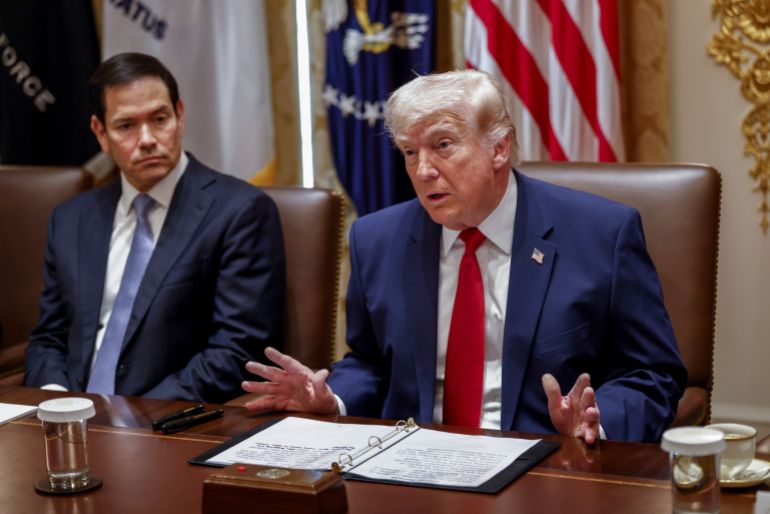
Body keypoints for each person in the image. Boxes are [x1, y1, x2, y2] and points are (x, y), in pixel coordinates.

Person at [241, 70, 686, 443]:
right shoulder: (376, 239)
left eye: (443, 145)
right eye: (410, 152)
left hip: (545, 467)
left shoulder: (600, 234)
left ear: (499, 148)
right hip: (410, 467)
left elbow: (652, 373)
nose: (423, 170)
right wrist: (331, 398)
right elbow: (372, 362)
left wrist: (598, 420)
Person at [24, 52, 285, 403]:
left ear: (179, 115)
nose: (147, 138)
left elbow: (237, 350)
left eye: (159, 119)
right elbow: (50, 337)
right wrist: (57, 401)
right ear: (101, 133)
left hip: (165, 423)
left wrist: (127, 415)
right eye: (126, 125)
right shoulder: (71, 219)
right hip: (72, 422)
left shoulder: (239, 211)